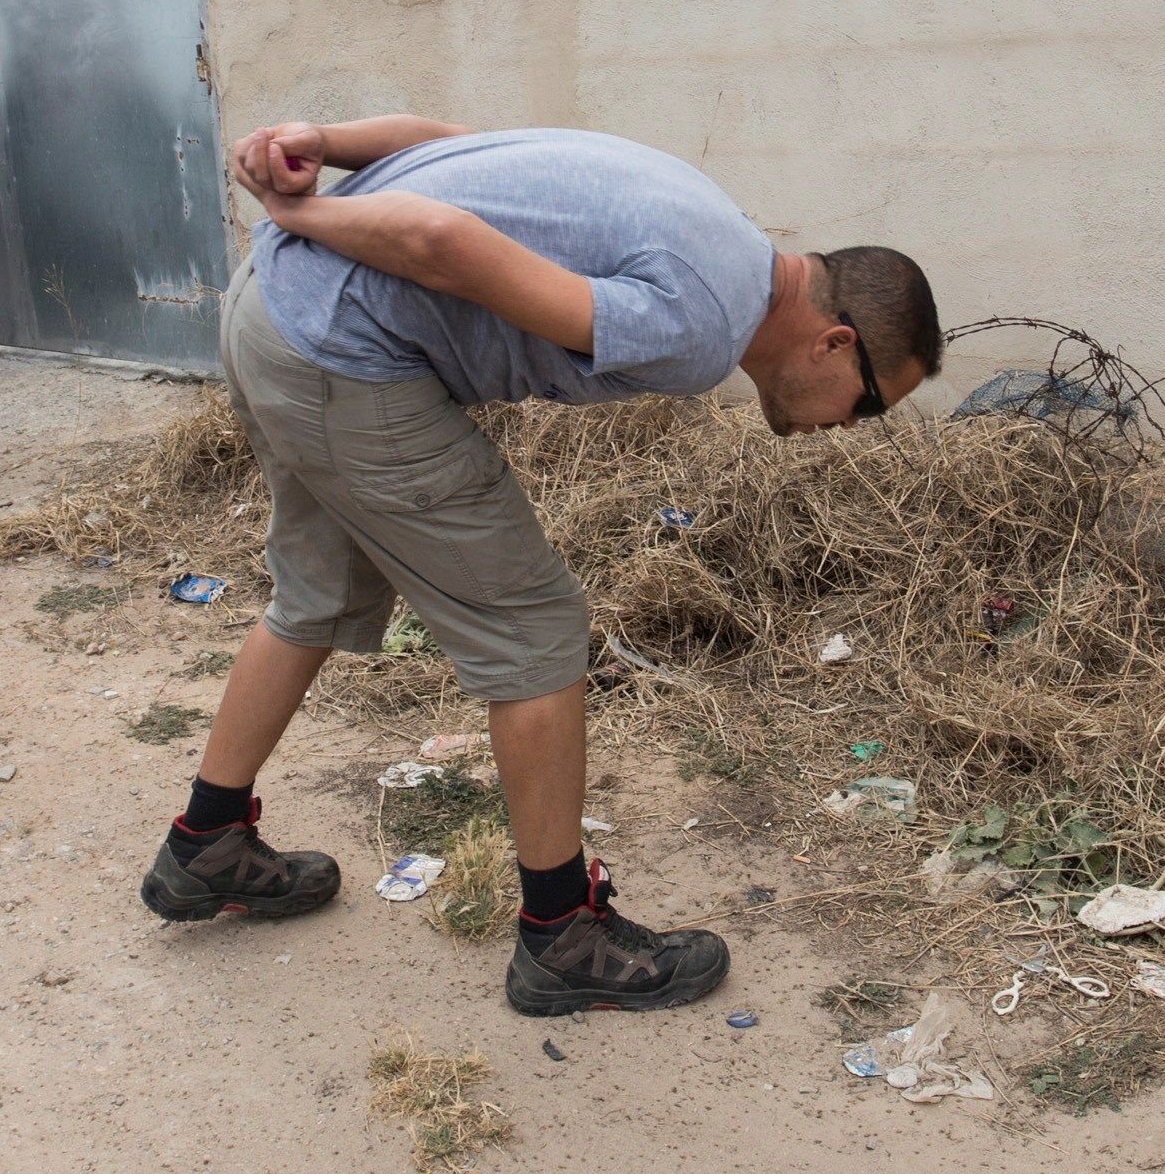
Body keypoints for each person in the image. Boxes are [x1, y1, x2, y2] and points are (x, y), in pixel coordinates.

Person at [144, 119, 942, 1015]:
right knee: (536, 627)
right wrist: (300, 210)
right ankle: (563, 937)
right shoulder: (703, 327)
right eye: (870, 405)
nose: (850, 428)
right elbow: (438, 240)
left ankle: (205, 845)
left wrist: (325, 142)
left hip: (276, 310)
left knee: (319, 589)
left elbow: (464, 145)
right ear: (835, 344)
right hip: (340, 341)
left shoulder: (726, 231)